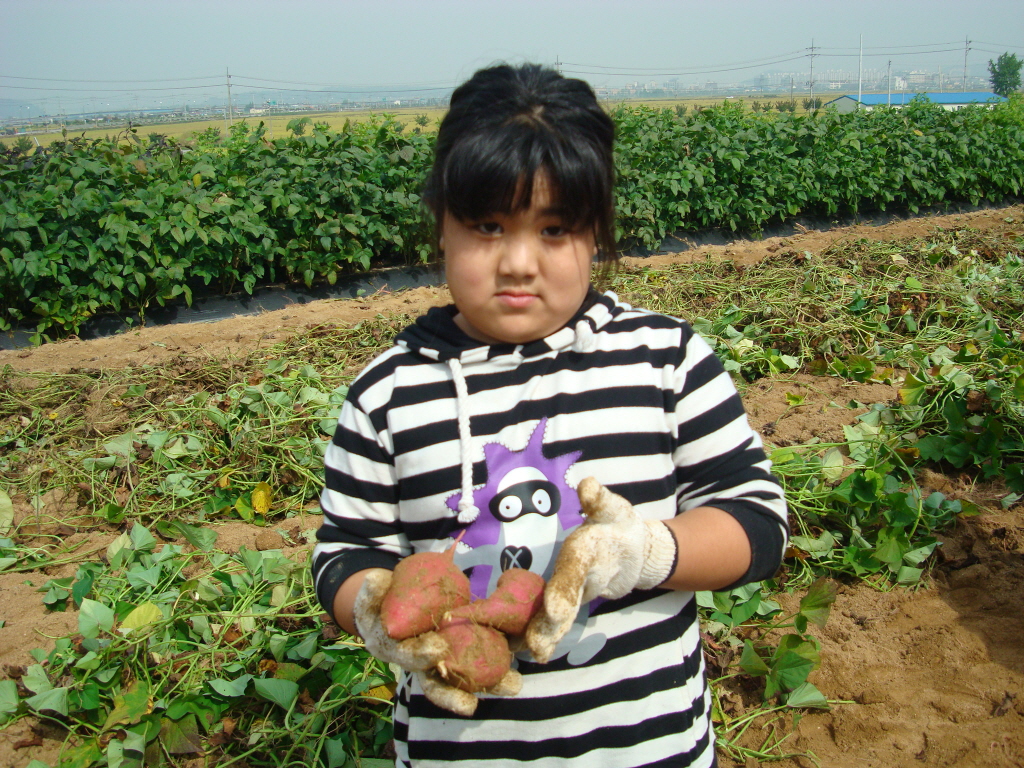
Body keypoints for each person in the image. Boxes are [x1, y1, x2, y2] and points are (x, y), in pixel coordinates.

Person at [312, 63, 788, 768]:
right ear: (440, 226)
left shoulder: (665, 361)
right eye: (488, 226)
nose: (518, 263)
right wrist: (372, 606)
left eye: (555, 228)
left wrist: (646, 552)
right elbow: (344, 553)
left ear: (596, 232)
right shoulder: (386, 396)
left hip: (651, 752)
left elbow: (758, 523)